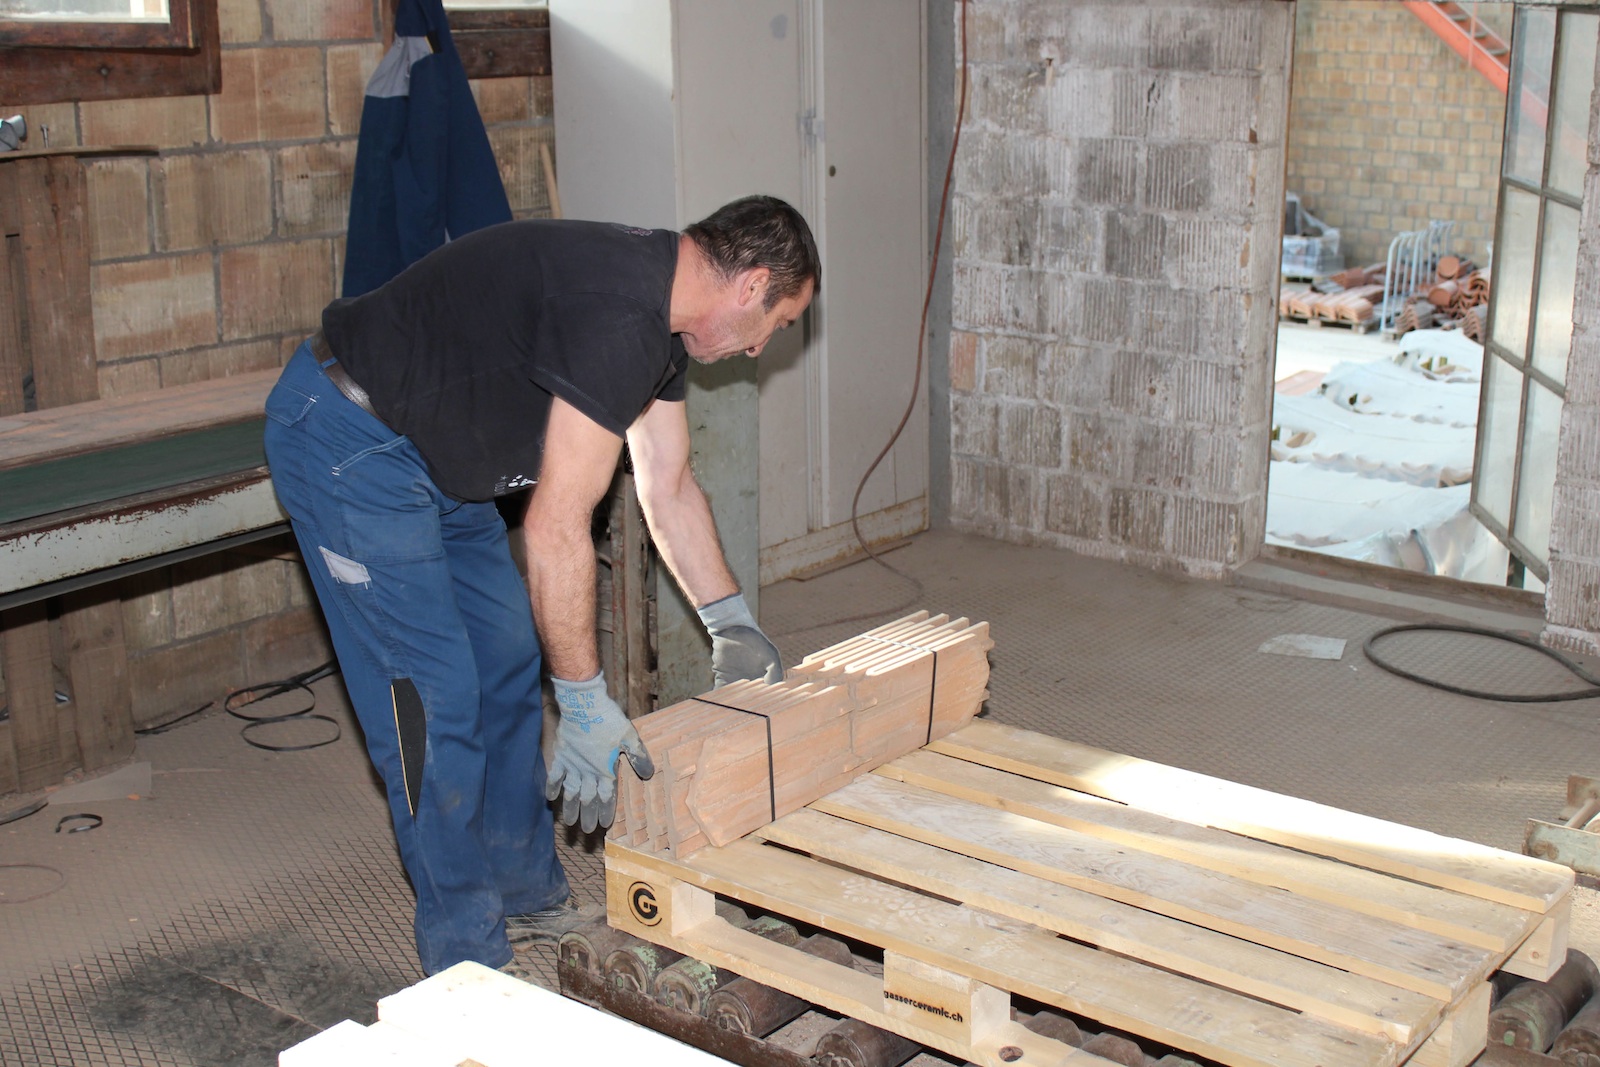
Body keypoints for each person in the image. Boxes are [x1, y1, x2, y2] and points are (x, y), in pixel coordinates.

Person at [262, 195, 820, 976]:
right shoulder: (619, 314)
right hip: (352, 439)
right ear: (751, 285)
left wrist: (730, 619)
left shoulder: (662, 324)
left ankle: (523, 889)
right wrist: (584, 698)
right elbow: (557, 523)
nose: (761, 347)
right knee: (433, 698)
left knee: (506, 659)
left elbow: (667, 483)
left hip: (443, 453)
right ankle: (465, 956)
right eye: (778, 324)